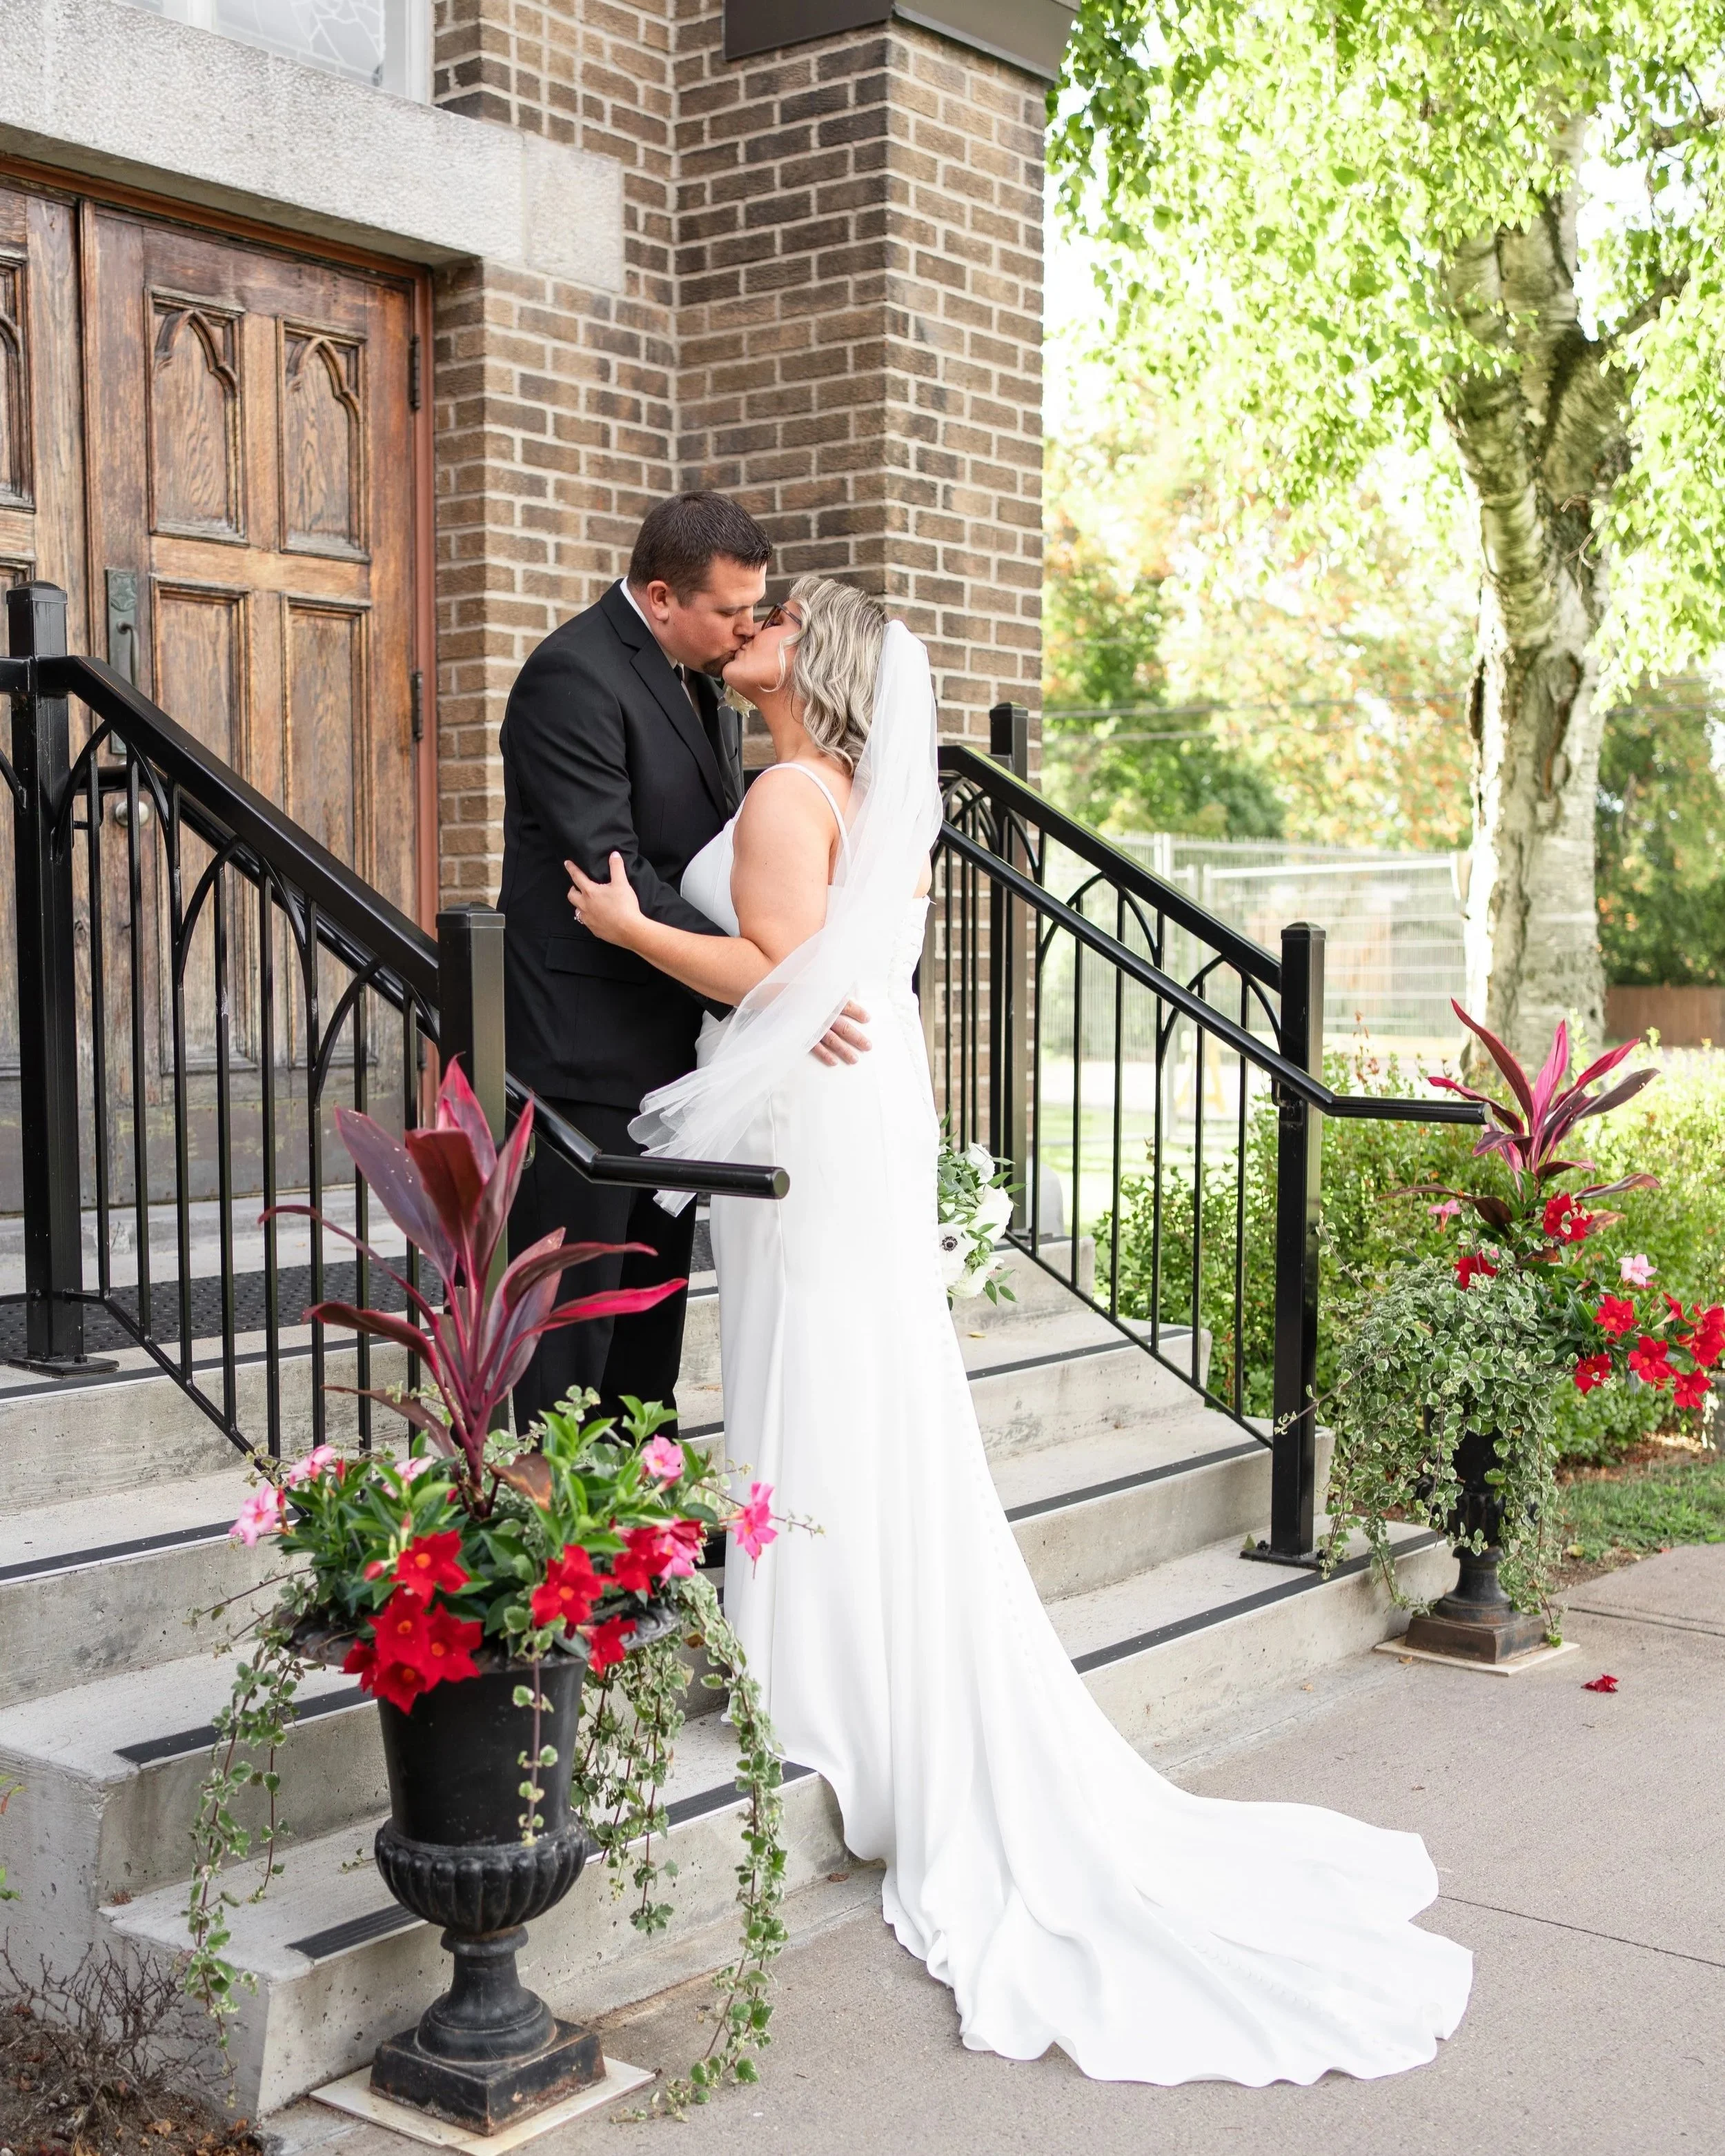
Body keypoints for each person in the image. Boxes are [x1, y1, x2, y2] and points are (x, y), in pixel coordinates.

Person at [564, 579, 1474, 2086]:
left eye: (777, 621)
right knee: (854, 1382)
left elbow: (781, 972)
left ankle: (819, 1676)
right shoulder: (848, 788)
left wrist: (625, 920)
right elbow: (835, 973)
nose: (755, 631)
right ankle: (828, 1655)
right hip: (845, 1110)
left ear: (819, 664)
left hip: (810, 1117)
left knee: (823, 1379)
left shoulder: (793, 785)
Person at [498, 493, 868, 1439]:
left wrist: (759, 981)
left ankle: (641, 1525)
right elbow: (615, 866)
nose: (748, 627)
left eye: (759, 609)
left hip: (674, 1050)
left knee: (651, 1305)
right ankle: (556, 1547)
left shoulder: (703, 681)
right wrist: (772, 985)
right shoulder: (572, 678)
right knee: (571, 1321)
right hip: (583, 1050)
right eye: (731, 610)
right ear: (661, 597)